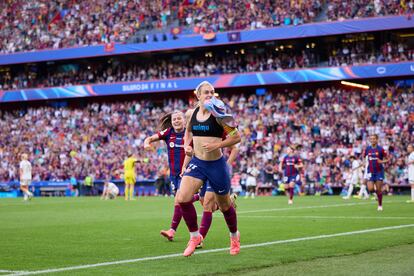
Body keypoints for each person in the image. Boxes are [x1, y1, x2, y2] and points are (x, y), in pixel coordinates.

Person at [177, 81, 241, 257]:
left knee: (225, 205)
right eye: (206, 92)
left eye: (212, 92)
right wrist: (186, 146)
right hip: (198, 162)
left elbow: (236, 138)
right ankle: (195, 237)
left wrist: (217, 145)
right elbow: (188, 132)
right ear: (198, 95)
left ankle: (234, 236)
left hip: (216, 164)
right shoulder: (193, 114)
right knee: (182, 198)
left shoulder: (219, 114)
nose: (210, 95)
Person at [144, 110, 196, 241]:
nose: (177, 121)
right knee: (182, 201)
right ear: (171, 122)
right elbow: (150, 138)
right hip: (174, 174)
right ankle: (200, 197)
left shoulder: (190, 133)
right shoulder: (168, 133)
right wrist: (146, 143)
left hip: (188, 172)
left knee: (179, 200)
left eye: (179, 118)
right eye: (174, 119)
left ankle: (172, 231)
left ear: (185, 120)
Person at [197, 143, 239, 246]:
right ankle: (229, 200)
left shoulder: (220, 128)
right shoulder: (194, 129)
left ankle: (199, 239)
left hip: (216, 170)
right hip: (201, 169)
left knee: (207, 204)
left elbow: (234, 148)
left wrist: (226, 166)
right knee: (207, 203)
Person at [363, 134, 390, 211]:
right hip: (370, 171)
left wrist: (382, 161)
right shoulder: (367, 149)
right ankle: (376, 195)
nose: (372, 140)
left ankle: (380, 205)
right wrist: (364, 162)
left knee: (378, 189)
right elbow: (365, 157)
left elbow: (388, 159)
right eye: (371, 139)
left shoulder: (381, 149)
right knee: (370, 188)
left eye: (374, 139)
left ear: (377, 139)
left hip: (379, 172)